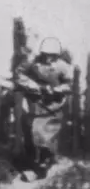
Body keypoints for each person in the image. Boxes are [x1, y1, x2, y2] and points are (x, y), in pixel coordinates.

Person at [13, 37, 73, 180]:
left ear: (57, 56)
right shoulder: (32, 63)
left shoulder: (63, 67)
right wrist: (31, 85)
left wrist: (57, 89)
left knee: (47, 135)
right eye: (45, 54)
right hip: (36, 104)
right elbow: (19, 74)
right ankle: (33, 161)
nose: (48, 58)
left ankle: (43, 166)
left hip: (53, 105)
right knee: (30, 132)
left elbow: (70, 84)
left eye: (52, 55)